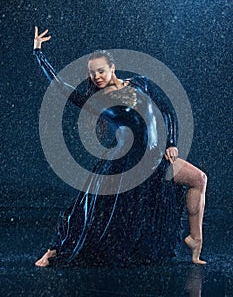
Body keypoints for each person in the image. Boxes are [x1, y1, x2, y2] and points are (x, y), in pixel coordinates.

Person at [33, 27, 207, 267]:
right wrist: (39, 53)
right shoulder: (97, 101)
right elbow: (62, 87)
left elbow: (166, 108)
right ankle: (54, 250)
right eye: (92, 73)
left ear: (112, 68)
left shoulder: (141, 83)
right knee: (87, 209)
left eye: (101, 71)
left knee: (199, 178)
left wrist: (173, 142)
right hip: (126, 164)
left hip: (158, 160)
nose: (97, 77)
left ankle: (195, 240)